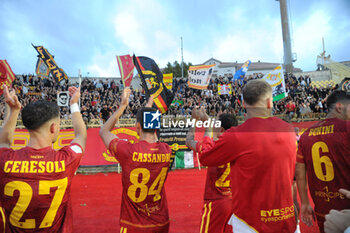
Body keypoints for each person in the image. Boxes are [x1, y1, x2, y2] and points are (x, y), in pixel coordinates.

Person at [197, 79, 297, 232]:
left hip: (250, 222)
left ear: (243, 104)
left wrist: (209, 127)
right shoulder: (289, 130)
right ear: (270, 102)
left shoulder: (236, 135)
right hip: (286, 217)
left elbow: (205, 157)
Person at [0, 85, 86, 232]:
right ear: (53, 127)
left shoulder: (4, 160)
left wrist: (13, 111)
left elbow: (3, 143)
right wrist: (74, 104)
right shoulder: (66, 160)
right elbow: (80, 135)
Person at [99, 88, 173, 233]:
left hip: (134, 224)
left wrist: (122, 106)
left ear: (137, 126)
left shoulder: (127, 151)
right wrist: (149, 110)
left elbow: (104, 131)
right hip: (161, 221)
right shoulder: (166, 150)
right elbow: (154, 137)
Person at [296, 90, 350, 233]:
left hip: (324, 212)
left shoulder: (306, 134)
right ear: (339, 107)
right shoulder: (347, 128)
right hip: (347, 210)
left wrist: (305, 203)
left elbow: (300, 173)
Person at [186, 107, 237, 233]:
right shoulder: (240, 146)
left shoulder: (214, 148)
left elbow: (189, 141)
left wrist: (195, 120)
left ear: (221, 130)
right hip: (236, 201)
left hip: (216, 202)